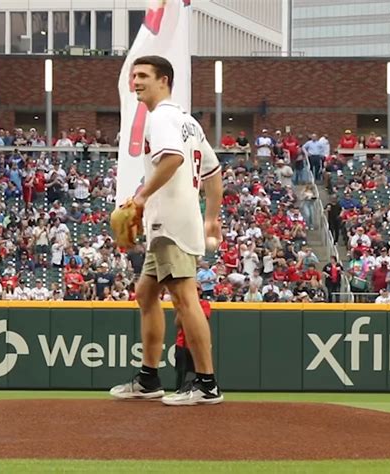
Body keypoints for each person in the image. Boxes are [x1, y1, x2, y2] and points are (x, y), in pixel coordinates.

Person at [110, 56, 223, 406]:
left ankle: (206, 383)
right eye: (134, 76)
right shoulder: (187, 121)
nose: (135, 81)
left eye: (143, 75)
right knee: (145, 293)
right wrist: (212, 218)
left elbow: (172, 159)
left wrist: (141, 197)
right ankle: (148, 378)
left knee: (185, 299)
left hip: (169, 222)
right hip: (175, 221)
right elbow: (214, 173)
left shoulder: (159, 117)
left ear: (164, 80)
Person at [174, 284, 211, 392]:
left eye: (198, 289)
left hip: (197, 344)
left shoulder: (204, 304)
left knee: (200, 371)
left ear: (201, 292)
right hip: (182, 343)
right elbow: (177, 323)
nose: (196, 291)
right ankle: (179, 392)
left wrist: (187, 311)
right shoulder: (182, 304)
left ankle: (199, 392)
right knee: (181, 372)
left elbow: (202, 319)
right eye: (193, 289)